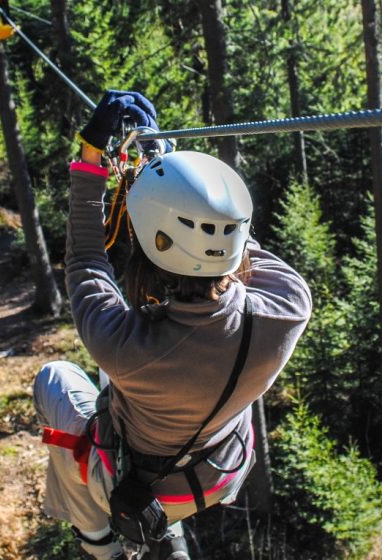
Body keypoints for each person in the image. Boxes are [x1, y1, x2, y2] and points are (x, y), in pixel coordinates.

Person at [32, 91, 312, 560]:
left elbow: (85, 260)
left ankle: (100, 544)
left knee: (54, 379)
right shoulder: (287, 308)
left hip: (148, 482)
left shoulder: (123, 344)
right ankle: (166, 532)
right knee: (113, 381)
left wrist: (90, 156)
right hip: (220, 472)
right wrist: (168, 173)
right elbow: (236, 246)